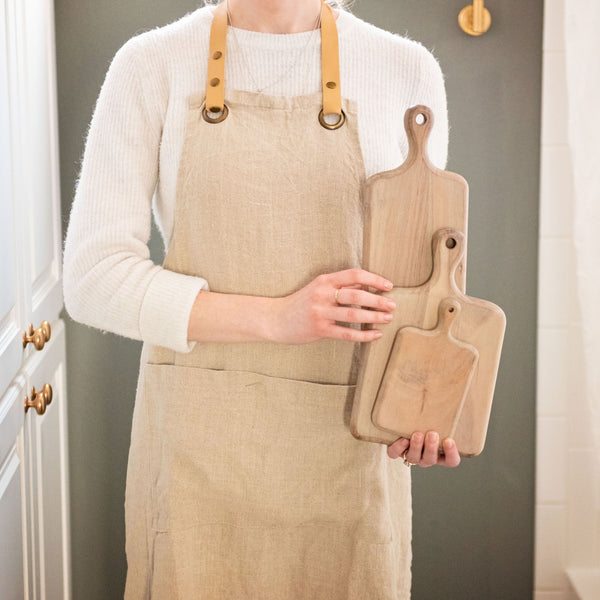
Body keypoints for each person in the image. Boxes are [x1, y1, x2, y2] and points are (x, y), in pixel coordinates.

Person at [63, 0, 461, 598]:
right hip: (198, 454)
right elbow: (94, 278)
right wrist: (279, 317)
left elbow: (426, 280)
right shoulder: (151, 65)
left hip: (349, 446)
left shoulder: (405, 68)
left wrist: (424, 403)